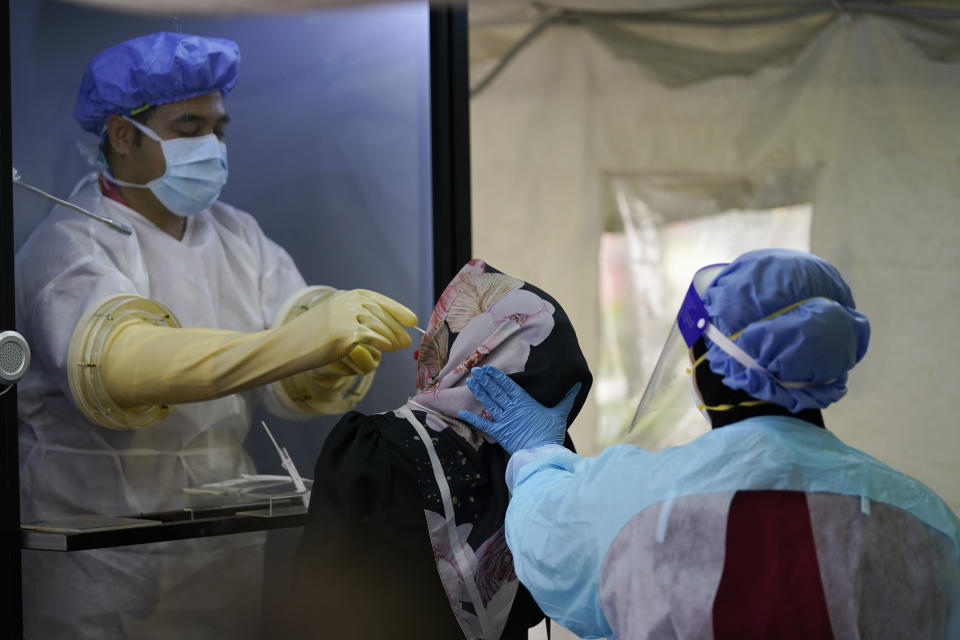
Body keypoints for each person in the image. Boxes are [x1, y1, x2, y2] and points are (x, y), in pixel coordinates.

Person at [15, 31, 416, 639]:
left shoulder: (236, 236)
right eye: (189, 126)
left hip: (218, 554)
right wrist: (294, 344)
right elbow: (118, 366)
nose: (212, 146)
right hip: (100, 564)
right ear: (122, 135)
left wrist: (331, 356)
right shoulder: (71, 243)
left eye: (219, 129)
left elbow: (296, 376)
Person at [460, 249, 960, 639]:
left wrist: (535, 453)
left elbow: (546, 539)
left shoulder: (637, 499)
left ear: (707, 369)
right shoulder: (927, 519)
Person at [285, 259, 593, 640]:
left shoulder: (372, 447)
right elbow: (547, 598)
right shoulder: (539, 453)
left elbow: (315, 598)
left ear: (464, 350)